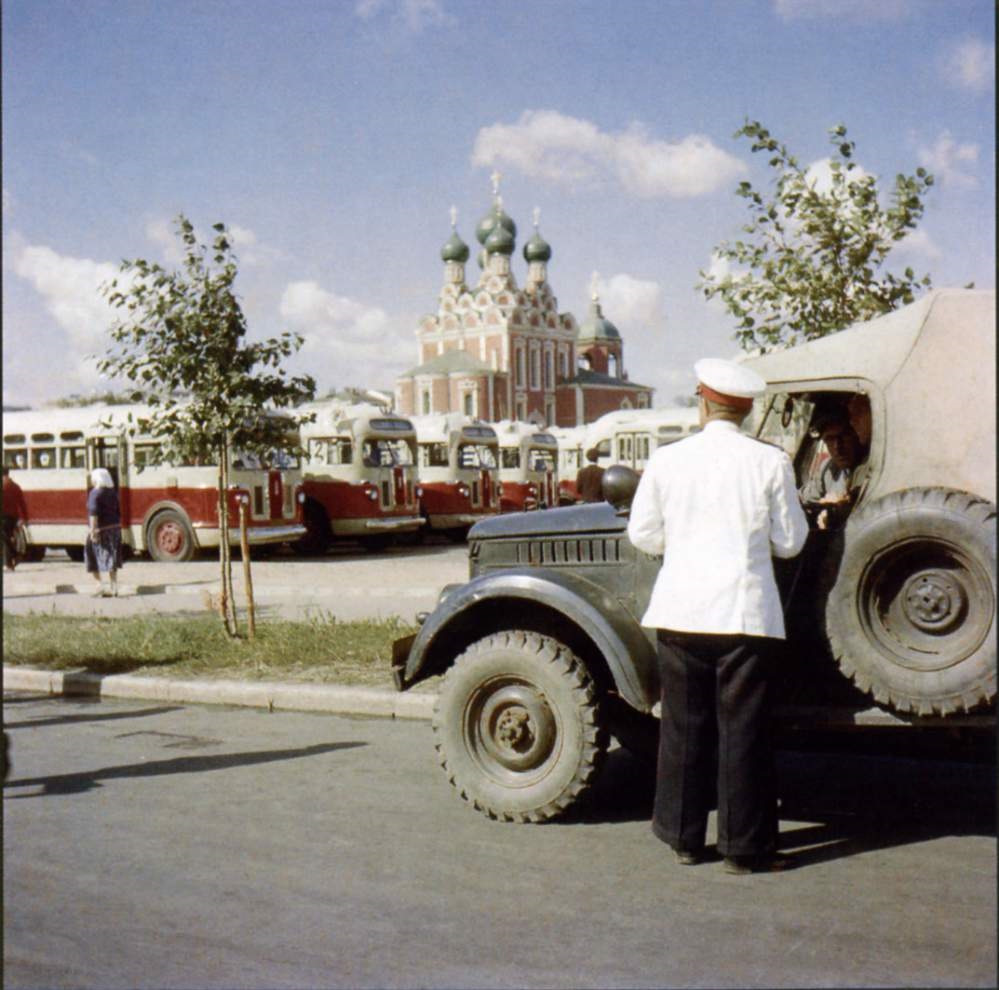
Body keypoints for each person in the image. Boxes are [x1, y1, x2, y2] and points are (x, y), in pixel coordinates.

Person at [627, 358, 808, 875]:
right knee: (743, 732)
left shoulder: (667, 460)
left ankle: (683, 838)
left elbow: (642, 534)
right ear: (748, 411)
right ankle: (744, 849)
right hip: (744, 615)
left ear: (702, 403)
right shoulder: (770, 462)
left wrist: (682, 545)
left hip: (681, 611)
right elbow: (791, 543)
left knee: (683, 728)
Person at [800, 408, 868, 529]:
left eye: (844, 436)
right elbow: (806, 496)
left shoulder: (871, 468)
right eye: (830, 439)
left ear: (856, 435)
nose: (837, 447)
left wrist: (840, 510)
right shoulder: (829, 469)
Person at [85, 467, 123, 597]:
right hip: (115, 528)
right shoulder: (113, 493)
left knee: (91, 556)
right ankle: (114, 586)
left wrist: (93, 531)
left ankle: (99, 585)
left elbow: (93, 513)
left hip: (100, 529)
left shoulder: (95, 493)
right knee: (111, 557)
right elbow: (119, 511)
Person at [2, 467, 27, 571]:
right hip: (13, 517)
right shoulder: (15, 486)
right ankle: (13, 558)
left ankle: (10, 561)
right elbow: (22, 503)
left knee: (4, 539)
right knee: (7, 538)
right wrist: (24, 518)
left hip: (3, 516)